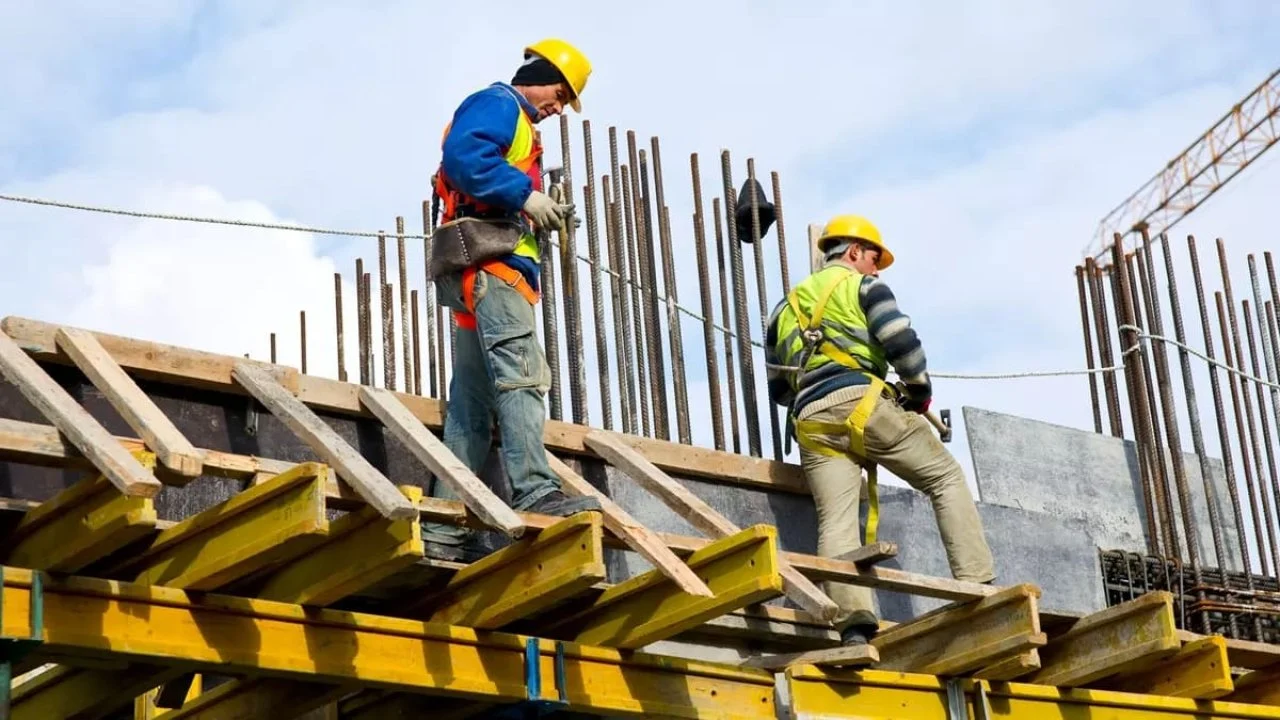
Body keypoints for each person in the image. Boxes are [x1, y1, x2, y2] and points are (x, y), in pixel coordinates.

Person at [765, 214, 995, 645]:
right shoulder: (864, 287)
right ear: (853, 252)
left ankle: (853, 625)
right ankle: (979, 586)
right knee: (945, 478)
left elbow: (779, 388)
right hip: (864, 404)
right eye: (873, 258)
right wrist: (919, 391)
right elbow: (901, 343)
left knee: (836, 521)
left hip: (811, 421)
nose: (876, 268)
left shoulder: (783, 309)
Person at [422, 39, 601, 562]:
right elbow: (464, 158)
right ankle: (535, 490)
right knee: (523, 378)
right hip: (494, 271)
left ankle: (444, 528)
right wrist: (526, 197)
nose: (559, 107)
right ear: (540, 75)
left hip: (478, 273)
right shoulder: (501, 104)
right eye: (560, 93)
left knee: (471, 409)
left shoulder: (517, 123)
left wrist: (535, 207)